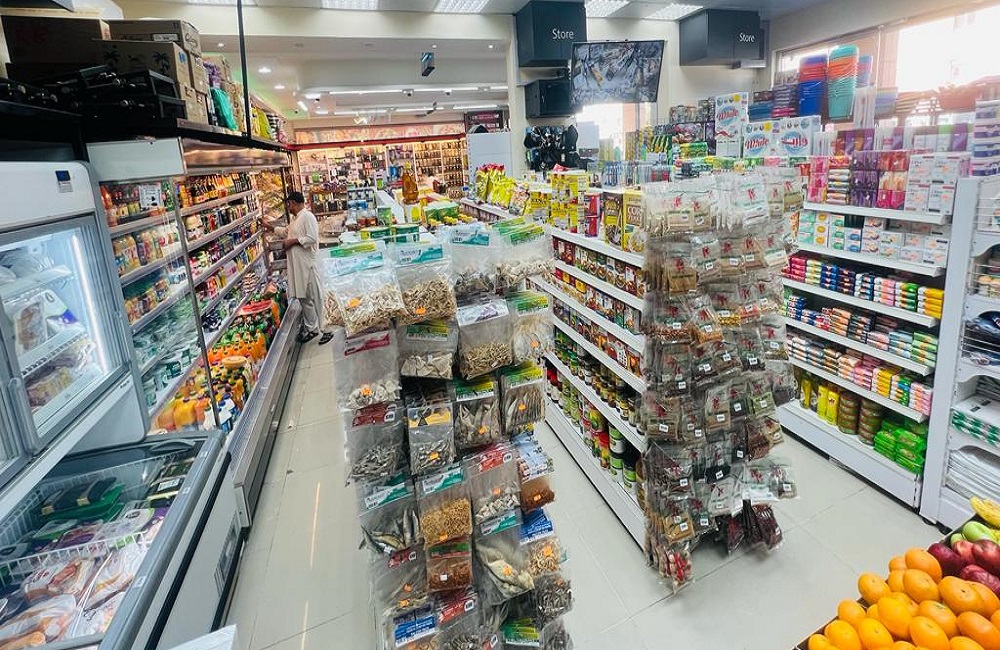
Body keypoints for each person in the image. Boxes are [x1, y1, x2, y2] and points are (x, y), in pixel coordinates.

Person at [267, 192, 332, 344]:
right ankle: (312, 328)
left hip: (308, 265)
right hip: (298, 267)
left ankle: (326, 329)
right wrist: (269, 227)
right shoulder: (296, 219)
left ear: (294, 203)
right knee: (304, 298)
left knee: (316, 296)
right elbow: (285, 232)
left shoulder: (308, 217)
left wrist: (292, 242)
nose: (288, 207)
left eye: (289, 204)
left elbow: (312, 238)